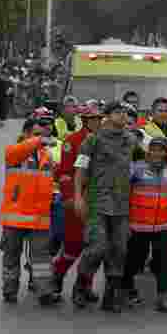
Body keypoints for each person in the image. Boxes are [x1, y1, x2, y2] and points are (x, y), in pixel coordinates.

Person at [72, 102, 143, 312]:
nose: (122, 116)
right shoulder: (93, 140)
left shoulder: (131, 140)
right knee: (97, 247)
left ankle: (111, 296)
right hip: (97, 201)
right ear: (107, 116)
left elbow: (148, 159)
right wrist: (78, 196)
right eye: (118, 112)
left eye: (125, 113)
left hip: (122, 204)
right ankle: (81, 285)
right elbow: (80, 170)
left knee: (119, 249)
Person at [0, 118, 60, 305]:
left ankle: (45, 292)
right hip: (15, 216)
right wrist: (38, 141)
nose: (40, 138)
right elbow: (19, 152)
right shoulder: (13, 151)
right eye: (35, 134)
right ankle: (9, 290)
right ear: (25, 134)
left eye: (42, 135)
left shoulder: (46, 156)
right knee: (11, 255)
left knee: (42, 258)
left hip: (39, 216)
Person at [51, 104, 104, 301]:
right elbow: (64, 173)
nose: (97, 122)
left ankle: (83, 287)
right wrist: (69, 198)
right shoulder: (72, 141)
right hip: (77, 200)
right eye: (93, 119)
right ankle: (56, 278)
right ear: (84, 120)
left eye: (100, 119)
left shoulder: (105, 141)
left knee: (95, 248)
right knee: (73, 246)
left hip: (99, 201)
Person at [122, 137, 167, 312]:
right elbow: (123, 190)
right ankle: (127, 288)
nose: (157, 153)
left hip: (163, 226)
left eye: (161, 150)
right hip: (138, 225)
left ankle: (163, 297)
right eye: (153, 149)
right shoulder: (136, 168)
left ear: (166, 153)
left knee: (163, 261)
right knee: (135, 260)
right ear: (148, 151)